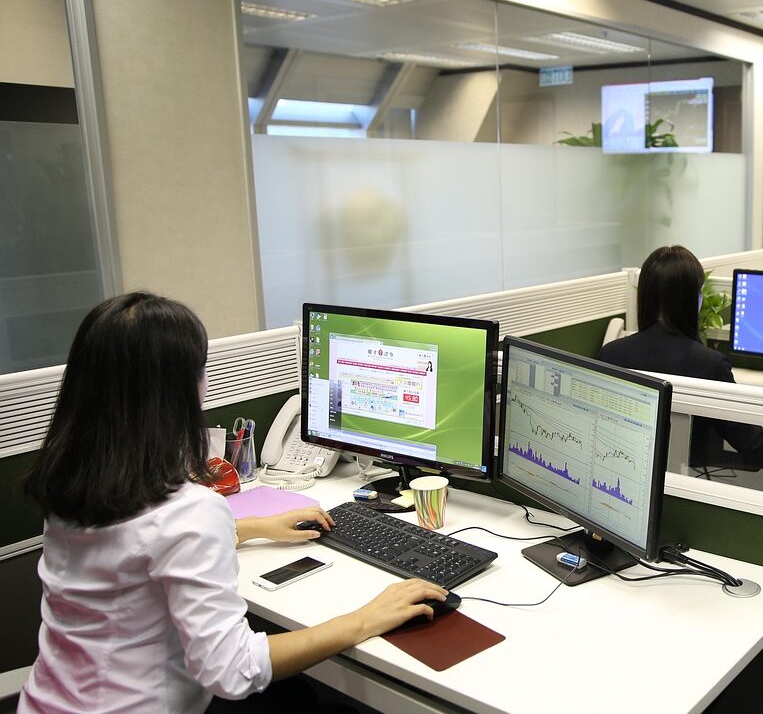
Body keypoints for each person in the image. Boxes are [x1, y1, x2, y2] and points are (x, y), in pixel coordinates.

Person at [19, 293, 446, 714]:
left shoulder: (72, 481)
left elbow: (132, 553)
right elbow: (234, 671)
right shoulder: (188, 513)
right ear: (179, 393)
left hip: (48, 702)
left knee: (295, 696)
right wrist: (366, 617)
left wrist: (251, 527)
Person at [598, 246, 763, 469]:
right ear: (693, 300)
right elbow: (756, 446)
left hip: (623, 477)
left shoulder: (610, 354)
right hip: (685, 487)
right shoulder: (709, 364)